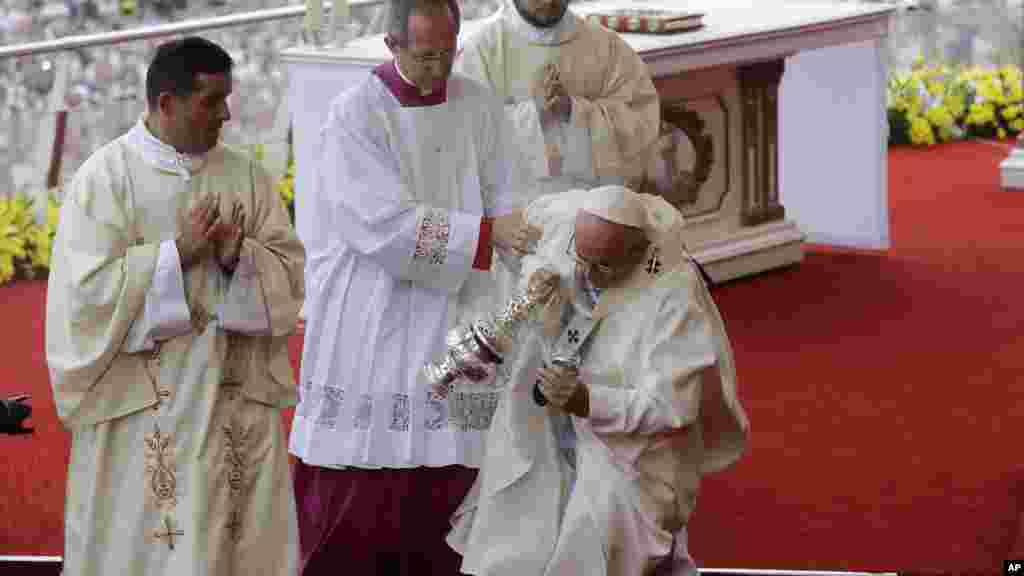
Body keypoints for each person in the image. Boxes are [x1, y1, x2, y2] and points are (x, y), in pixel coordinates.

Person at [286, 0, 537, 573]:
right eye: (427, 56)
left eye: (449, 53)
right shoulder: (355, 114)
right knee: (374, 461)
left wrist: (513, 230)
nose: (440, 68)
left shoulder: (476, 101)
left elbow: (506, 185)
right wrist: (485, 234)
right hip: (379, 303)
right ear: (392, 45)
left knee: (463, 438)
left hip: (464, 298)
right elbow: (378, 222)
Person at [45, 36, 305, 576]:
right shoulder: (105, 179)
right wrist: (174, 255)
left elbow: (290, 276)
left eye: (227, 99)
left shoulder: (246, 177)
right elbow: (83, 299)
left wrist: (241, 258)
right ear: (166, 103)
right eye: (211, 101)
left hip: (230, 399)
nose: (226, 114)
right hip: (142, 410)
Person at [446, 185, 750, 575]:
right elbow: (520, 242)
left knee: (591, 539)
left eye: (604, 266)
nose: (586, 275)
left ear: (638, 254)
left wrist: (588, 401)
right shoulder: (564, 222)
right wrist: (536, 281)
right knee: (517, 513)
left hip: (632, 451)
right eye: (581, 257)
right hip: (551, 420)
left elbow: (672, 407)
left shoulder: (672, 296)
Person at [454, 0, 661, 199]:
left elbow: (641, 119)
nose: (549, 1)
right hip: (514, 211)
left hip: (597, 203)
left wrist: (572, 110)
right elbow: (465, 137)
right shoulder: (481, 51)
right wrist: (535, 112)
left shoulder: (607, 47)